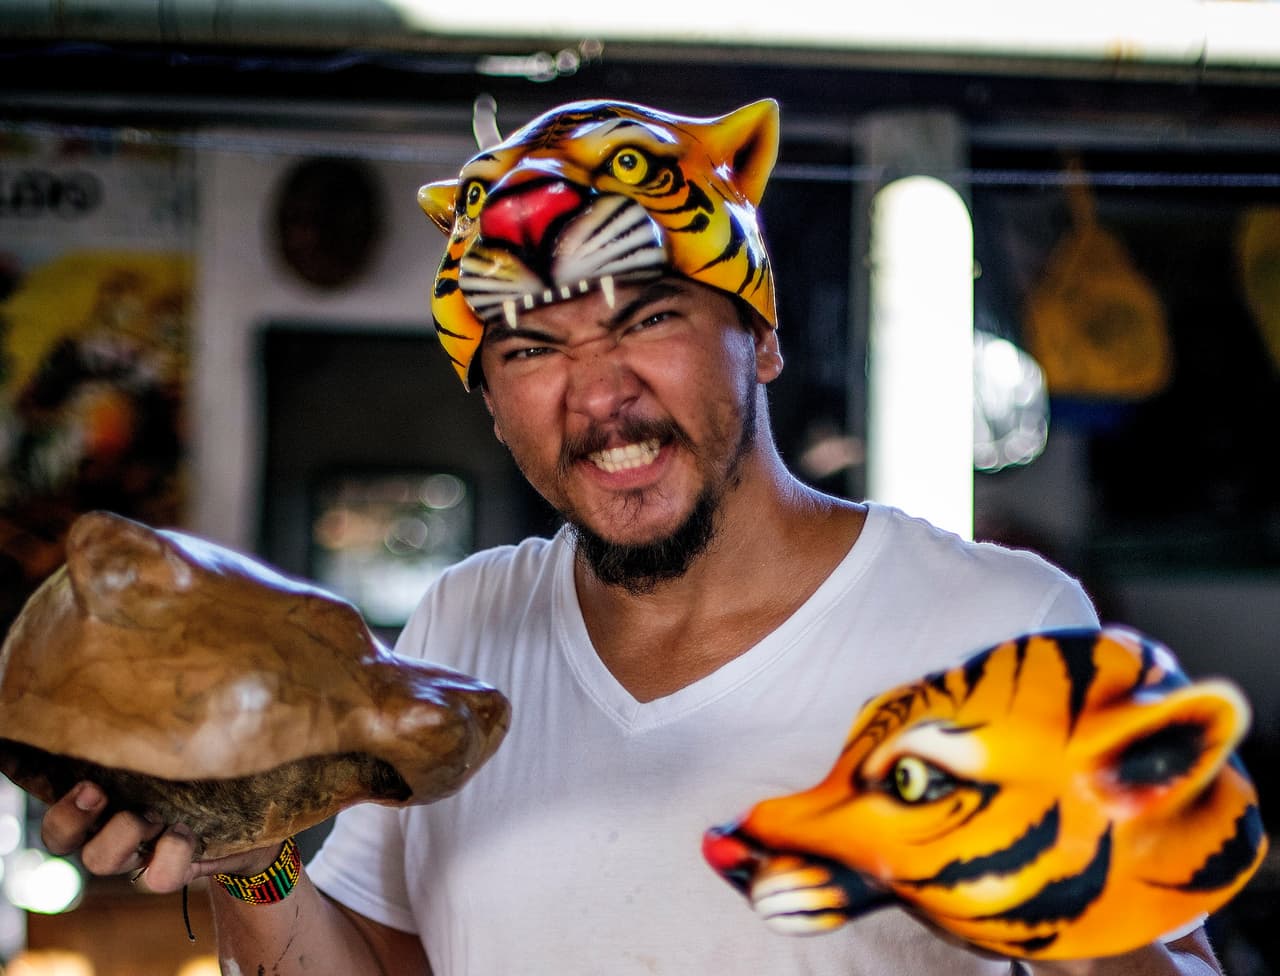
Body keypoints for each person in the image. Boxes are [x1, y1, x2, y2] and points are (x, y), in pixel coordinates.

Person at [41, 98, 1225, 976]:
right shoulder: (465, 621)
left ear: (759, 337)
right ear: (490, 402)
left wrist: (1057, 901)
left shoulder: (996, 625)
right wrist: (246, 855)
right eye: (530, 349)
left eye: (647, 319)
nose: (599, 393)